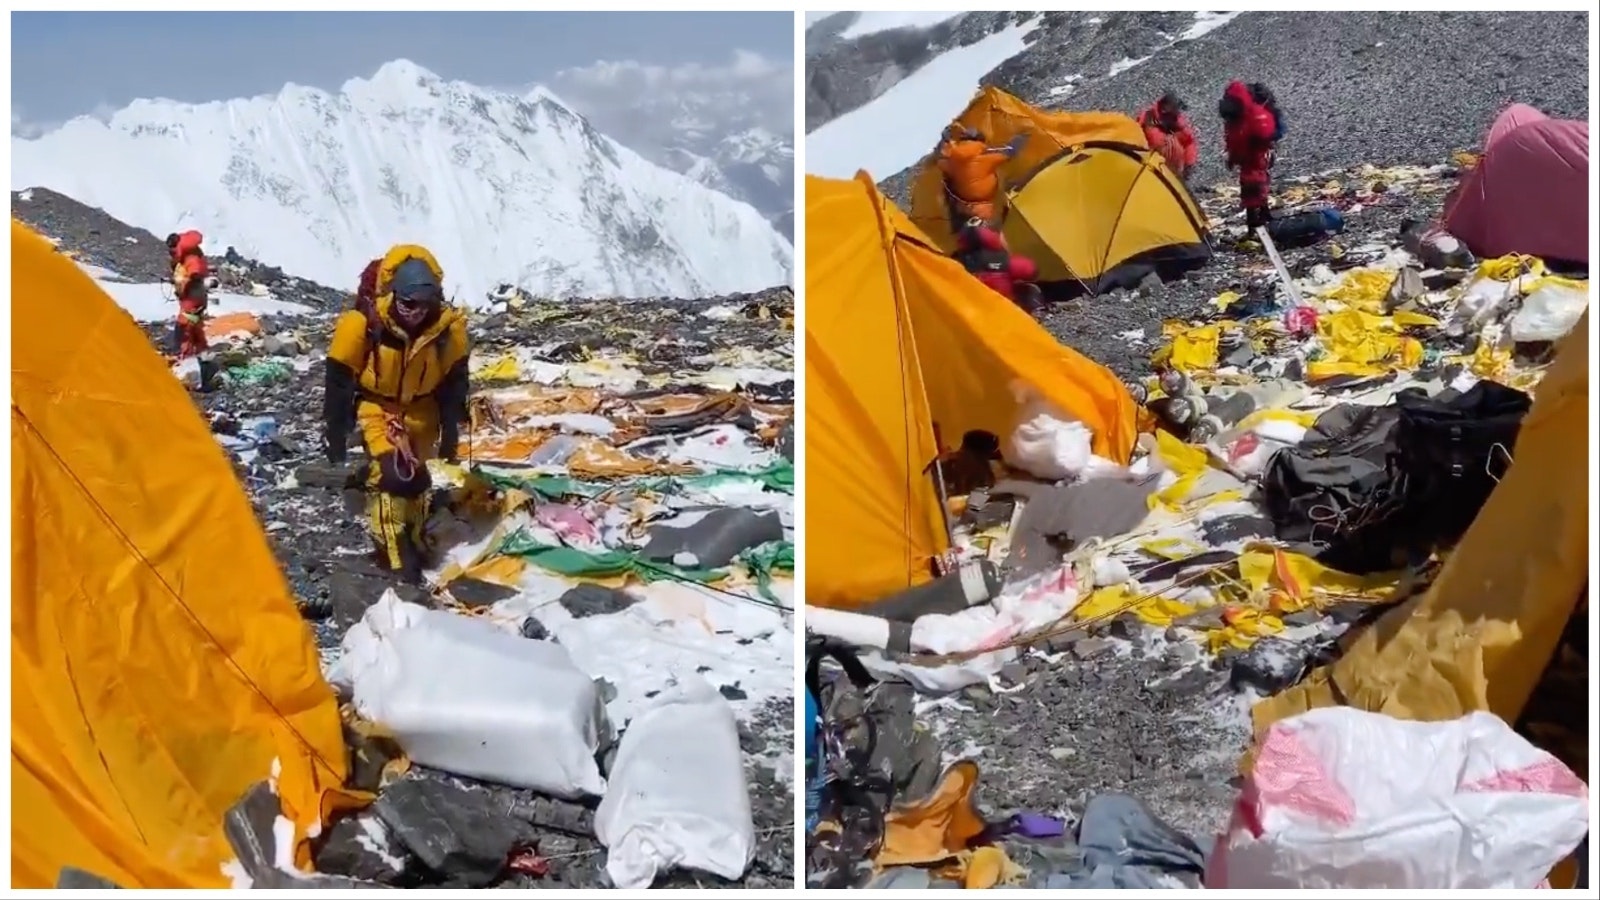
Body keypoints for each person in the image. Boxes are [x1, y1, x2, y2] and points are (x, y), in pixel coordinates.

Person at [323, 245, 471, 583]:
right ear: (394, 295)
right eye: (408, 304)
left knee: (417, 480)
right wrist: (337, 427)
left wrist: (451, 434)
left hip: (423, 411)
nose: (416, 312)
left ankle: (414, 539)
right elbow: (339, 379)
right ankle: (394, 553)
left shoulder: (449, 332)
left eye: (424, 305)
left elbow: (454, 384)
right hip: (378, 407)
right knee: (391, 476)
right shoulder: (363, 325)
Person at [936, 124, 1029, 229]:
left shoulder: (951, 161)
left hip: (962, 210)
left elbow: (940, 159)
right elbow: (1010, 152)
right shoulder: (985, 159)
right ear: (979, 141)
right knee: (989, 238)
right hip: (983, 212)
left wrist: (945, 140)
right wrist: (1024, 135)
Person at [1219, 80, 1281, 231]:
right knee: (1257, 183)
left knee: (1253, 184)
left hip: (1253, 155)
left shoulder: (1238, 117)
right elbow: (1266, 131)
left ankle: (1255, 218)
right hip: (1253, 155)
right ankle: (1261, 214)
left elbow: (1234, 138)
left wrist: (1233, 156)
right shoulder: (1249, 114)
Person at [952, 218, 1041, 314]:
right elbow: (1030, 270)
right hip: (1002, 306)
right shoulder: (1001, 258)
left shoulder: (958, 260)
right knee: (1029, 289)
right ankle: (1035, 316)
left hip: (971, 308)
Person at [166, 230, 214, 358]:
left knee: (185, 324)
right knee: (195, 324)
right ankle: (202, 351)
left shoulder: (190, 256)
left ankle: (184, 354)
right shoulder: (190, 254)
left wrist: (187, 281)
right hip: (193, 295)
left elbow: (194, 272)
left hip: (192, 295)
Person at [1137, 91, 1199, 179]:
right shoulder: (1147, 119)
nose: (1178, 111)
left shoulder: (1178, 121)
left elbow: (1188, 142)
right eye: (1175, 108)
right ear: (1165, 108)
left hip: (1176, 173)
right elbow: (1137, 141)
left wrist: (1189, 163)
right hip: (1153, 171)